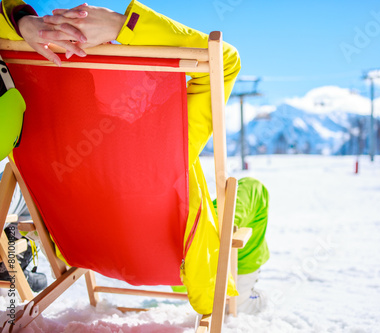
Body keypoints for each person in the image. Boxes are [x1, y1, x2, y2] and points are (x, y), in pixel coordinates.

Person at [0, 1, 270, 314]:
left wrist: (22, 23)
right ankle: (245, 292)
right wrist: (123, 25)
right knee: (253, 191)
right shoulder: (160, 133)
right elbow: (225, 59)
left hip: (80, 246)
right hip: (183, 261)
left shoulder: (28, 127)